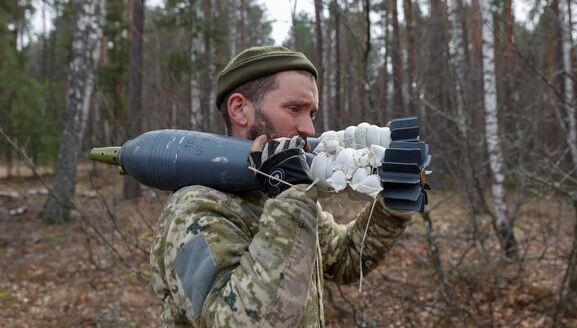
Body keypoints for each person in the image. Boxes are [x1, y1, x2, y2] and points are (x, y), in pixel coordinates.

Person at [150, 46, 416, 327]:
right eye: (294, 109)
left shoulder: (278, 190)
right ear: (240, 109)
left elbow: (345, 258)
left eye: (311, 113)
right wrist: (291, 200)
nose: (309, 129)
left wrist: (393, 199)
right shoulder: (195, 206)